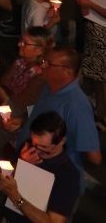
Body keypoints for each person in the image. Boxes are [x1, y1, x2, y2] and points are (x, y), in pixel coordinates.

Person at [8, 47, 102, 192]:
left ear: (68, 71)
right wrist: (22, 121)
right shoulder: (49, 87)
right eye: (43, 61)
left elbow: (94, 157)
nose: (42, 65)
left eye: (48, 63)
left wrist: (53, 154)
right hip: (30, 166)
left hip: (50, 181)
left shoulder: (76, 105)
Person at [0, 111, 81, 223]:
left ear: (61, 141)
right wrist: (20, 164)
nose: (37, 150)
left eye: (44, 147)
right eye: (34, 143)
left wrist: (16, 196)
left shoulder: (68, 175)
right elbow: (0, 181)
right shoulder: (28, 148)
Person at [0, 27, 49, 156]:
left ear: (39, 49)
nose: (19, 44)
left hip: (19, 128)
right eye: (21, 40)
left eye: (25, 43)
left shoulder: (41, 75)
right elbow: (4, 82)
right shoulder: (20, 62)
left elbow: (19, 105)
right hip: (6, 119)